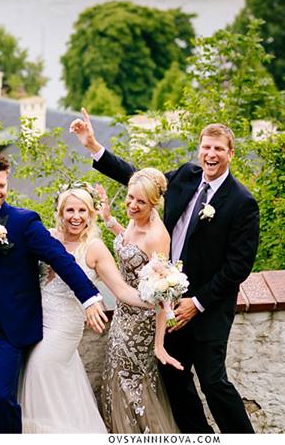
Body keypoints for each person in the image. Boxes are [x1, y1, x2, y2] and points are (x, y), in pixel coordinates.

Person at [71, 110, 260, 433]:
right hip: (166, 305)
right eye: (206, 147)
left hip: (207, 307)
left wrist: (196, 303)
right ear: (199, 149)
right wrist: (93, 147)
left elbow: (238, 266)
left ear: (231, 153)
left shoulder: (242, 202)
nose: (210, 154)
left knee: (213, 382)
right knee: (174, 378)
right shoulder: (186, 175)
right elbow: (140, 181)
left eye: (218, 149)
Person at [0, 151, 108, 434]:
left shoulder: (23, 222)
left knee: (2, 397)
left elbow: (61, 258)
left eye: (2, 185)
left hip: (6, 326)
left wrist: (89, 297)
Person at [20, 183, 181, 433]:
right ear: (60, 212)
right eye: (69, 210)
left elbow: (122, 290)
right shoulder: (47, 237)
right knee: (45, 389)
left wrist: (155, 297)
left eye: (82, 210)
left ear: (90, 214)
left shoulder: (94, 248)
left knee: (38, 371)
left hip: (64, 326)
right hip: (38, 322)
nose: (75, 217)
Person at [93, 168, 181, 433]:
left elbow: (164, 292)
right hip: (122, 313)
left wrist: (159, 345)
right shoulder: (134, 219)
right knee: (116, 376)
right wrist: (109, 220)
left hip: (141, 324)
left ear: (153, 203)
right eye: (130, 198)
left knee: (132, 384)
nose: (132, 205)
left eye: (140, 202)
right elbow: (129, 246)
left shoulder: (157, 237)